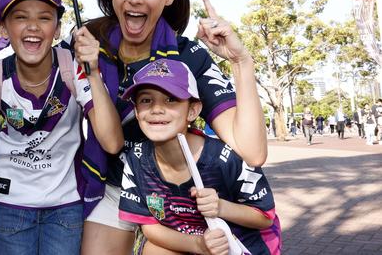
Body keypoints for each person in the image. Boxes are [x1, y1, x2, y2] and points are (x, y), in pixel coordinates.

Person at [80, 0, 268, 254]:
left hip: (176, 194)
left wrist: (240, 61)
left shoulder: (188, 56)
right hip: (115, 186)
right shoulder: (87, 48)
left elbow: (253, 151)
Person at [0, 0, 124, 254]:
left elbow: (112, 143)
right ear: (3, 28)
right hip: (10, 206)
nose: (33, 26)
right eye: (20, 17)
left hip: (65, 208)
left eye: (44, 18)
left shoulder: (74, 68)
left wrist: (93, 71)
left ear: (57, 29)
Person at [118, 59, 281, 254]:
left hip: (242, 246)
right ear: (136, 111)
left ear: (193, 110)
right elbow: (150, 227)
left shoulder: (226, 158)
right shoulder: (136, 160)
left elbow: (264, 216)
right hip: (194, 243)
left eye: (171, 99)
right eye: (146, 100)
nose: (156, 109)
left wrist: (220, 207)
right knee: (154, 250)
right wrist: (199, 245)